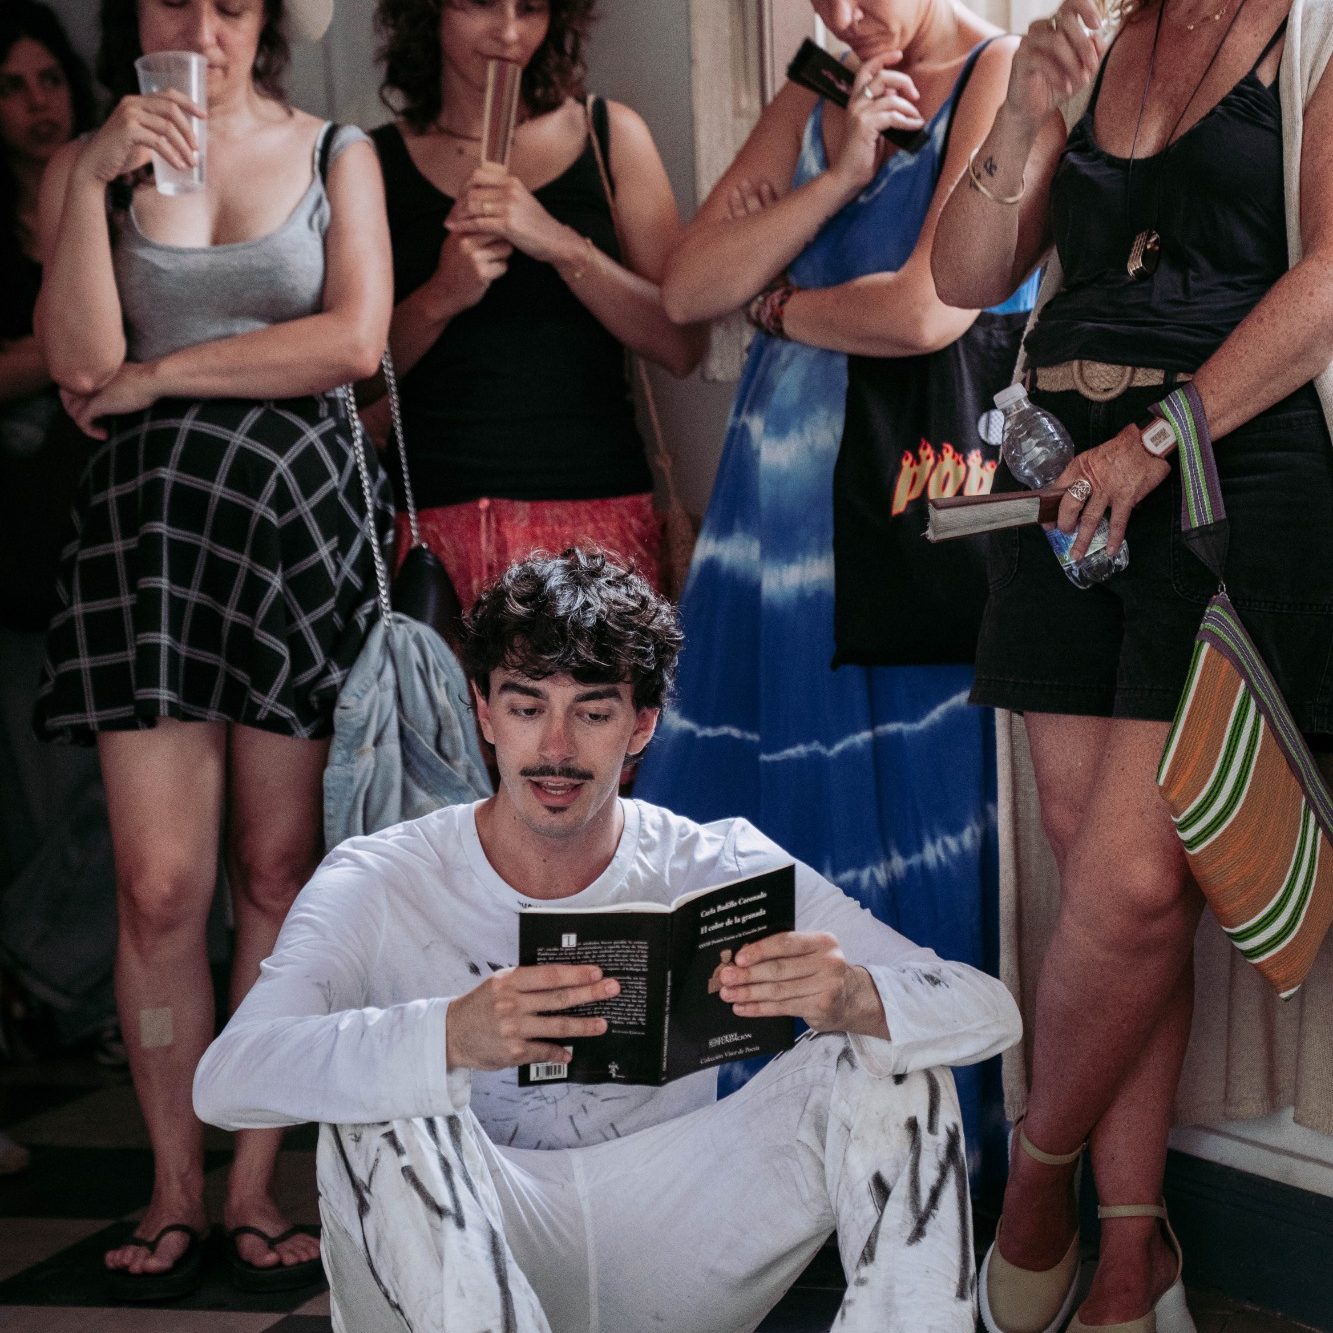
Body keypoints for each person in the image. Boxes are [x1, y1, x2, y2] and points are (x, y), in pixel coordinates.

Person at [193, 547, 1023, 1333]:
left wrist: (852, 995)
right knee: (383, 1101)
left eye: (592, 712)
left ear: (642, 724)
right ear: (483, 710)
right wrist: (447, 1033)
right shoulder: (380, 875)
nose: (555, 748)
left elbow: (987, 1010)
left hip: (677, 1235)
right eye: (526, 708)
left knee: (892, 1057)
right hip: (467, 1244)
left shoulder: (719, 860)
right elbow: (228, 1077)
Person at [931, 0, 1333, 1327]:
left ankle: (1035, 1182)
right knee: (1108, 892)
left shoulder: (1313, 34)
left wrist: (1159, 440)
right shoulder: (1084, 32)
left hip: (1224, 469)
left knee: (1135, 880)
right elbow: (965, 274)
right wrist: (1020, 120)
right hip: (1056, 479)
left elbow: (1328, 283)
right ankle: (1128, 1249)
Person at [633, 0, 1037, 1164]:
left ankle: (913, 1163)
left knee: (904, 825)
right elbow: (686, 285)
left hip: (903, 522)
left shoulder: (997, 68)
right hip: (766, 533)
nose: (840, 13)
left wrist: (774, 300)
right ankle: (742, 1162)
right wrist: (837, 177)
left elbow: (925, 308)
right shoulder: (821, 82)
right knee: (750, 826)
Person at [32, 0, 393, 1300]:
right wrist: (92, 174)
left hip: (295, 538)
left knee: (279, 869)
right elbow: (84, 364)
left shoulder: (336, 149)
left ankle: (253, 1183)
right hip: (149, 551)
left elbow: (352, 342)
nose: (203, 23)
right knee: (159, 887)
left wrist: (168, 374)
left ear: (271, 16)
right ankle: (174, 1184)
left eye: (233, 1)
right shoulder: (93, 165)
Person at [366, 0, 705, 607]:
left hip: (596, 522)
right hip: (438, 528)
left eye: (531, 8)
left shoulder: (608, 134)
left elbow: (681, 346)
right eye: (480, 3)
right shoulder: (373, 161)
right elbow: (357, 376)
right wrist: (440, 296)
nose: (509, 31)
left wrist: (559, 244)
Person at [0, 2, 119, 1086]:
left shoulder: (119, 200)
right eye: (13, 86)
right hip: (22, 550)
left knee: (111, 799)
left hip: (120, 532)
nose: (38, 104)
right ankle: (50, 988)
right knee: (44, 805)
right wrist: (72, 347)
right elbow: (86, 358)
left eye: (50, 80)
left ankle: (46, 981)